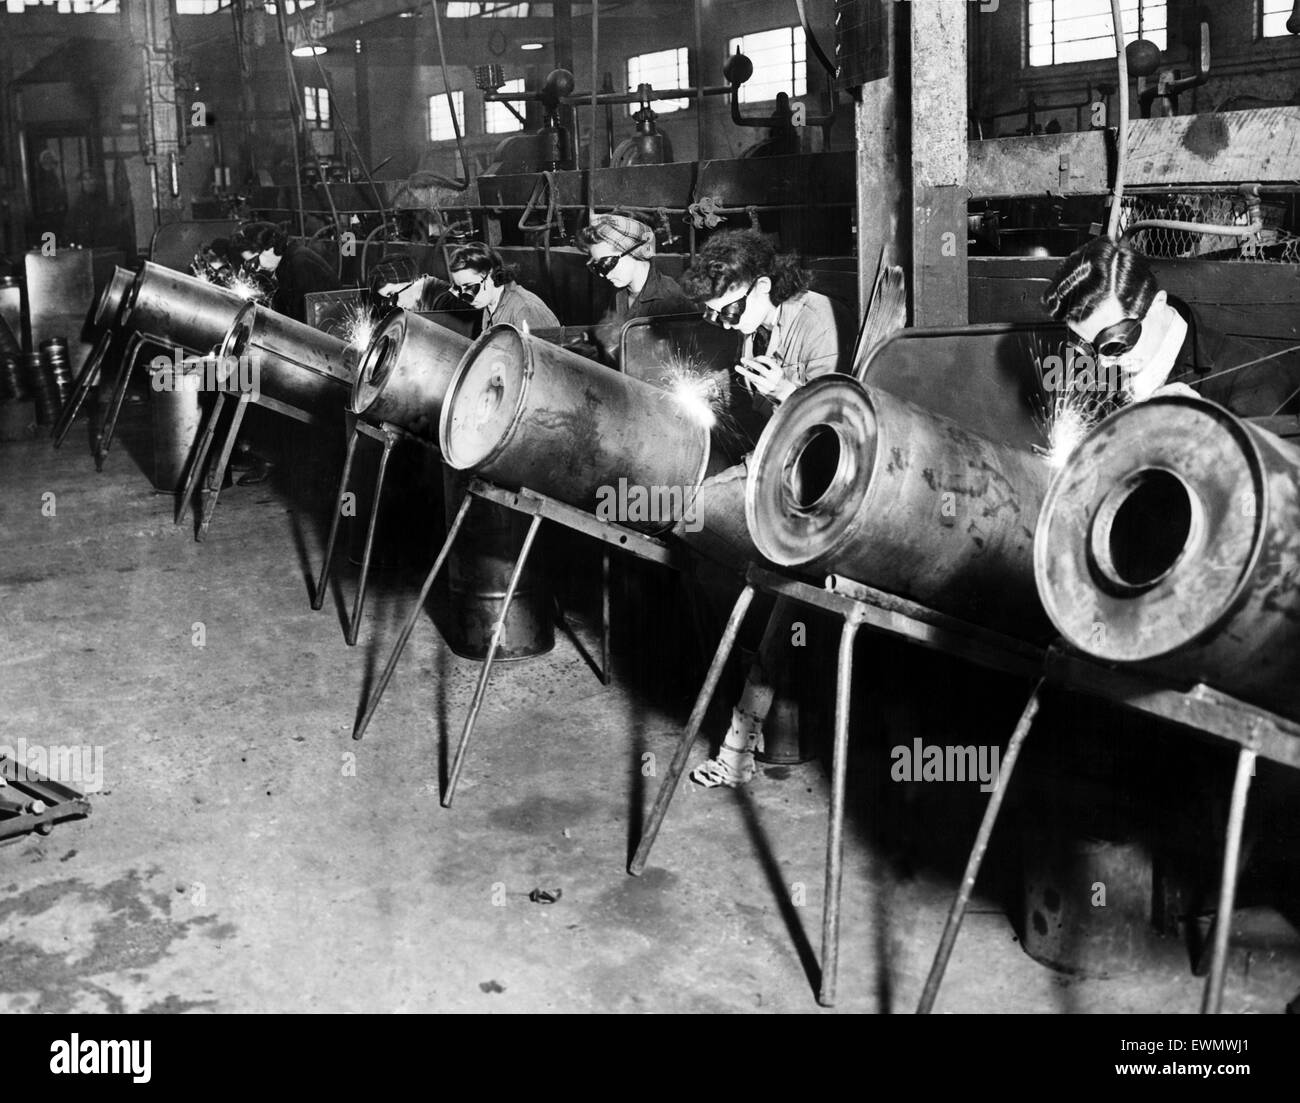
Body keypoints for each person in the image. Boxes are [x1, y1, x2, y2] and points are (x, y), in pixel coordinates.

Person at [676, 229, 854, 789]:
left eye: (729, 308)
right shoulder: (753, 327)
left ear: (763, 284)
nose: (725, 323)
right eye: (715, 316)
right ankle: (741, 647)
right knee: (689, 518)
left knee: (774, 576)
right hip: (771, 460)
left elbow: (836, 418)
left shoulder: (813, 315)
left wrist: (787, 388)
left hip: (818, 475)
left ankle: (746, 728)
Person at [1041, 236, 1197, 403]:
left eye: (1114, 345)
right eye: (1087, 347)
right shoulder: (1091, 373)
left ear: (1156, 304)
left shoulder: (1226, 378)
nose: (1105, 364)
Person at [579, 212, 697, 325]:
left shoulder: (673, 301)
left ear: (635, 250)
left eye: (607, 263)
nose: (604, 274)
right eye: (597, 267)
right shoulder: (619, 292)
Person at [229, 221, 340, 323]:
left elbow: (300, 320)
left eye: (255, 261)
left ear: (270, 248)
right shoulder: (287, 263)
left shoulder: (300, 263)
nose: (257, 268)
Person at [447, 242, 560, 331]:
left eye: (470, 288)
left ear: (490, 274)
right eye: (458, 289)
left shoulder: (525, 309)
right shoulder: (490, 304)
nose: (466, 297)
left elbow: (543, 358)